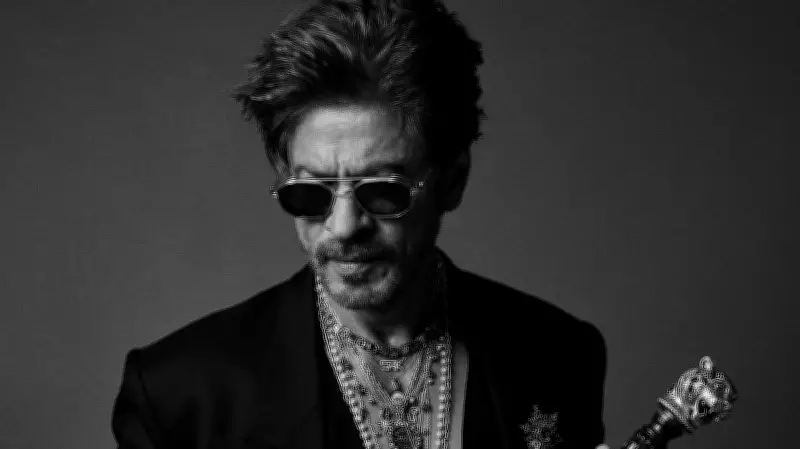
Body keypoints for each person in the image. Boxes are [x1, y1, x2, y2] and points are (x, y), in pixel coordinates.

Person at [111, 1, 609, 448]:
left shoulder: (560, 355)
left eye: (383, 191)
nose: (344, 226)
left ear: (452, 181)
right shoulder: (178, 395)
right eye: (310, 194)